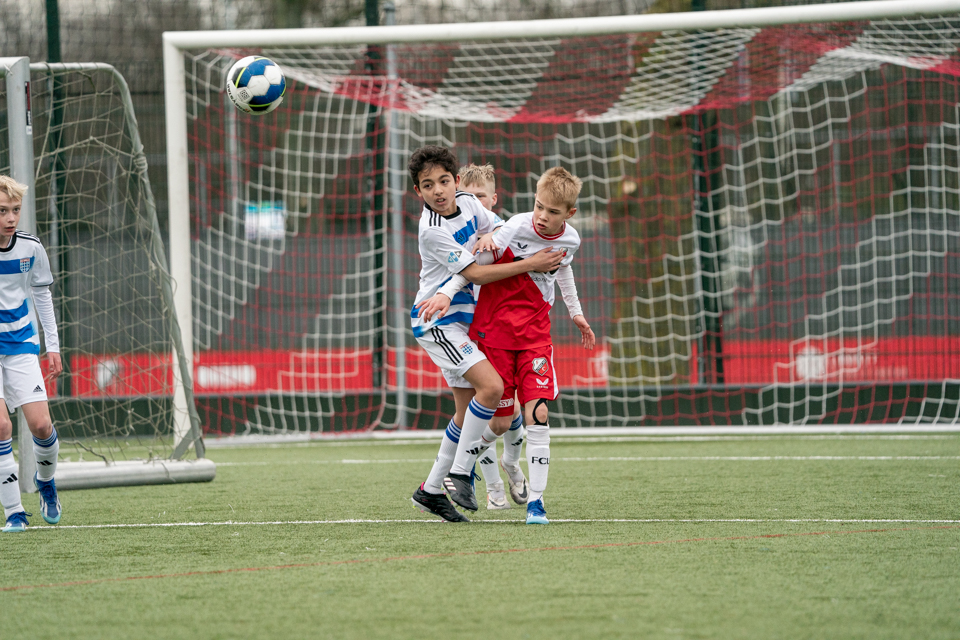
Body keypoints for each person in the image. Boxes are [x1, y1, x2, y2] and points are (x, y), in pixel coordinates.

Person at [407, 147, 564, 522]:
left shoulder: (468, 203)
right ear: (419, 192)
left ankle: (429, 491)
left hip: (465, 323)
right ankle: (461, 474)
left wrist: (490, 235)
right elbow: (476, 274)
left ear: (456, 181)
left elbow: (499, 229)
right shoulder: (431, 230)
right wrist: (531, 263)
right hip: (439, 322)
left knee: (466, 413)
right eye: (428, 186)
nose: (439, 191)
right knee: (492, 389)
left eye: (444, 181)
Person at [431, 167, 595, 524]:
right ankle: (473, 466)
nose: (543, 216)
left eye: (552, 211)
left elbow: (564, 269)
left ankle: (536, 503)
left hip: (535, 338)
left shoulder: (571, 240)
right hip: (495, 337)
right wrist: (446, 292)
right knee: (502, 421)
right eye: (539, 206)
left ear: (569, 214)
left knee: (537, 416)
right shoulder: (513, 228)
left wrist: (576, 314)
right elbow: (475, 267)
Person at [0, 176, 64, 532]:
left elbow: (42, 295)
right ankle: (15, 513)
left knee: (40, 425)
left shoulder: (30, 248)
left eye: (15, 210)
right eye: (2, 211)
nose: (11, 218)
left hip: (22, 344)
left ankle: (46, 482)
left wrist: (51, 346)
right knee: (1, 426)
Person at [455, 163, 520, 510]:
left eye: (481, 196)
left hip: (499, 328)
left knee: (506, 411)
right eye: (468, 196)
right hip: (464, 330)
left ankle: (512, 463)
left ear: (493, 200)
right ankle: (493, 489)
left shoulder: (505, 230)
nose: (475, 202)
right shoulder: (455, 232)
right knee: (473, 413)